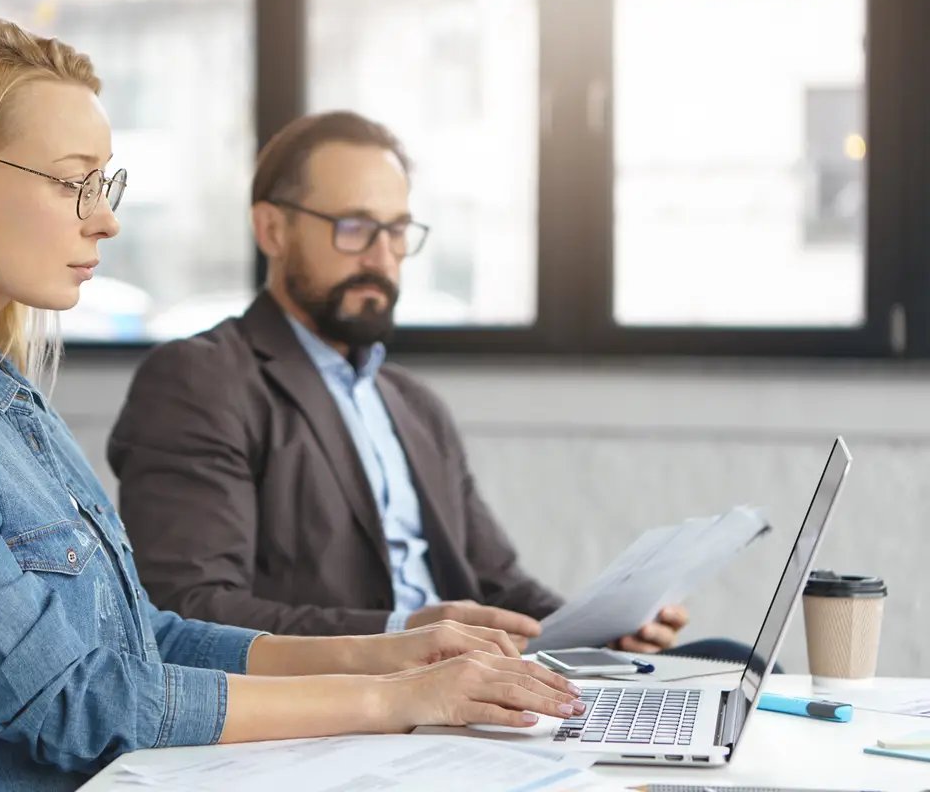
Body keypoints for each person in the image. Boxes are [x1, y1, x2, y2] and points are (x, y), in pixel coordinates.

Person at [0, 21, 583, 792]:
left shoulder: (2, 403)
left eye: (104, 185)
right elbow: (77, 704)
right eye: (76, 184)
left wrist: (389, 657)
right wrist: (394, 700)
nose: (107, 220)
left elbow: (145, 643)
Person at [106, 110, 722, 659]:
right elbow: (190, 611)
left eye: (397, 231)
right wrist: (404, 631)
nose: (381, 257)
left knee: (726, 657)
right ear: (272, 231)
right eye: (354, 227)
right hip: (346, 709)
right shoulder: (201, 381)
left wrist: (601, 628)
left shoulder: (413, 405)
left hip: (465, 691)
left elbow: (499, 584)